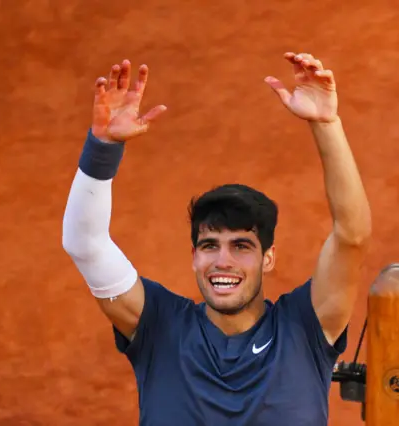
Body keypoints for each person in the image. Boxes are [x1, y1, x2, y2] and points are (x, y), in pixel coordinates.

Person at [62, 52, 372, 426]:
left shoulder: (304, 327)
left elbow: (351, 235)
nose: (223, 261)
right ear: (194, 255)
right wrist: (103, 149)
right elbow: (85, 244)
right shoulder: (159, 327)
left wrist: (326, 123)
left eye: (241, 246)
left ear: (268, 258)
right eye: (211, 245)